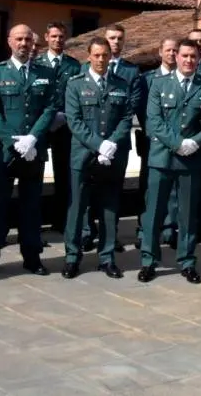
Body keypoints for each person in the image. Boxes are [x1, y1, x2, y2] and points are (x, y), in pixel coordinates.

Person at [138, 39, 201, 284]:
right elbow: (153, 121)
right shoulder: (158, 84)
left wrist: (195, 142)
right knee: (153, 212)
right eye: (184, 55)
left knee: (188, 213)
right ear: (176, 57)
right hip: (162, 158)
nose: (188, 60)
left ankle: (187, 261)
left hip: (192, 161)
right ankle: (148, 260)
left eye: (193, 56)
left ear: (199, 59)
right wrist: (178, 144)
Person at [0, 24, 57, 277]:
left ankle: (32, 257)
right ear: (9, 42)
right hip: (3, 151)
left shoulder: (45, 73)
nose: (23, 44)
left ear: (33, 43)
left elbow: (50, 108)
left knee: (31, 206)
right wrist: (14, 143)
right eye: (19, 39)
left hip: (33, 150)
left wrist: (32, 138)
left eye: (27, 40)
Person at [61, 37, 137, 280]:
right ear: (89, 56)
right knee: (77, 208)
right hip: (83, 156)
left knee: (109, 209)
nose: (101, 60)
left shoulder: (121, 84)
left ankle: (107, 258)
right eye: (96, 55)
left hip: (112, 156)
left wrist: (111, 144)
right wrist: (99, 145)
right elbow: (74, 121)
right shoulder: (75, 84)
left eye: (105, 55)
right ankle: (72, 257)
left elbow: (126, 118)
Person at [83, 23, 143, 252]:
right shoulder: (85, 68)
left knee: (113, 192)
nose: (115, 42)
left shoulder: (131, 71)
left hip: (118, 141)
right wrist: (97, 141)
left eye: (119, 38)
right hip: (90, 141)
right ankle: (87, 233)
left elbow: (132, 105)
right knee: (87, 190)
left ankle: (110, 235)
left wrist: (112, 139)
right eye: (111, 38)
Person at [34, 22, 82, 233]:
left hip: (65, 126)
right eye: (53, 36)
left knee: (64, 175)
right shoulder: (37, 63)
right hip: (40, 126)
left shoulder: (74, 65)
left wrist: (65, 116)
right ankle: (33, 222)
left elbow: (78, 95)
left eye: (61, 36)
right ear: (46, 37)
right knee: (35, 174)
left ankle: (61, 221)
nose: (57, 40)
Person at [133, 38, 179, 250]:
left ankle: (169, 227)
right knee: (149, 187)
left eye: (175, 50)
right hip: (153, 141)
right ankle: (144, 229)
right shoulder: (147, 79)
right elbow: (142, 110)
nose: (172, 54)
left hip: (177, 141)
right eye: (168, 50)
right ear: (160, 52)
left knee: (173, 188)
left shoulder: (183, 78)